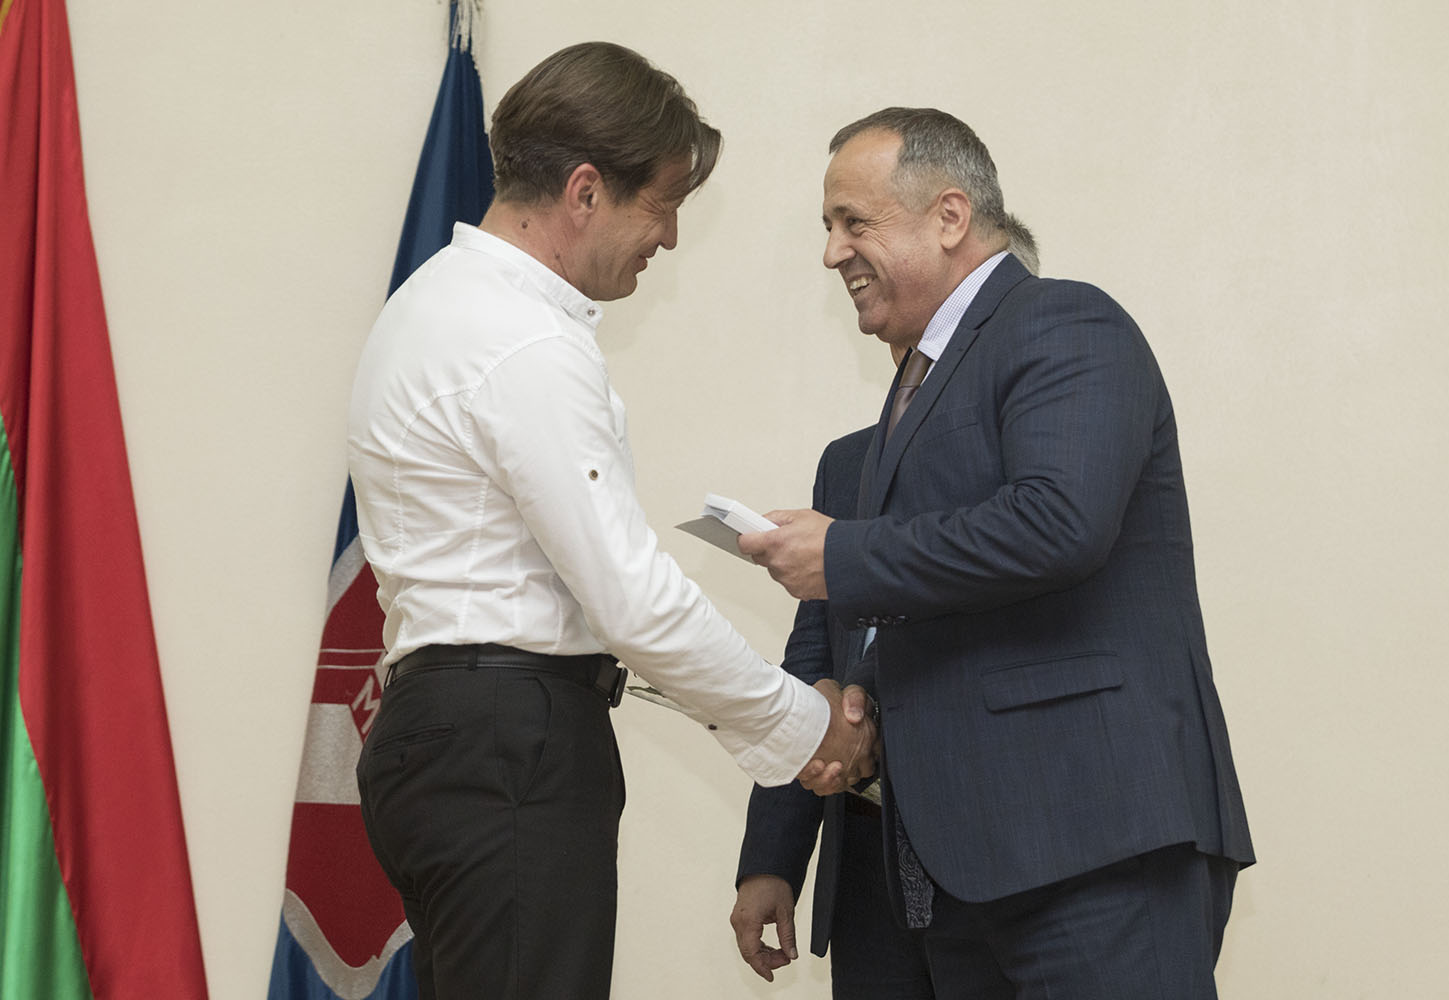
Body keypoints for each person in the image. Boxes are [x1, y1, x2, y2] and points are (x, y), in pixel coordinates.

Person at [347, 43, 871, 1000]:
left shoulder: (433, 302)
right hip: (509, 748)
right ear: (585, 190)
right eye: (661, 203)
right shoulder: (523, 341)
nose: (668, 236)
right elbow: (633, 600)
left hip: (451, 733)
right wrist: (804, 727)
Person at [739, 107, 1254, 998]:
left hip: (1092, 845)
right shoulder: (906, 399)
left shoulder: (1064, 322)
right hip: (955, 875)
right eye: (828, 226)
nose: (832, 253)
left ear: (949, 216)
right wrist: (856, 708)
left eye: (854, 222)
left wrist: (845, 557)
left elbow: (1058, 523)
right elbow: (924, 614)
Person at [729, 226, 1039, 998]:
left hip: (1000, 859)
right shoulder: (847, 464)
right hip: (869, 866)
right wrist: (771, 861)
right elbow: (813, 665)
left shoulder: (1027, 469)